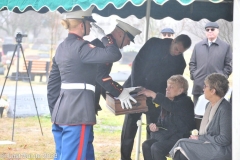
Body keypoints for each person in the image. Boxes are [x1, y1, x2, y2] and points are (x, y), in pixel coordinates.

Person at [47, 6, 123, 160]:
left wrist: (55, 111)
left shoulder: (62, 47)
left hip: (60, 113)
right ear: (82, 25)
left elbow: (52, 86)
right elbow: (114, 54)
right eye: (89, 23)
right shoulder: (82, 47)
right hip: (78, 113)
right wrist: (105, 38)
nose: (90, 26)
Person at [120, 34, 192, 160]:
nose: (176, 53)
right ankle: (125, 157)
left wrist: (162, 98)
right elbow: (137, 63)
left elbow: (173, 83)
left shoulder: (180, 62)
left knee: (153, 129)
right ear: (173, 41)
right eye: (176, 49)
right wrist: (137, 87)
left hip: (156, 97)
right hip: (137, 89)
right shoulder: (154, 43)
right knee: (130, 126)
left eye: (180, 52)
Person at [170, 73, 232, 160]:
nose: (203, 89)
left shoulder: (225, 109)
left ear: (213, 91)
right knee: (181, 147)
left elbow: (224, 139)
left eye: (205, 86)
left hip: (221, 150)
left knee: (182, 144)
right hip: (209, 144)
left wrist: (200, 138)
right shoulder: (208, 105)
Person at [138, 75, 195, 160]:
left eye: (171, 87)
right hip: (167, 137)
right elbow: (161, 123)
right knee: (146, 145)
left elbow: (173, 107)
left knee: (157, 147)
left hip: (181, 138)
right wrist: (155, 127)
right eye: (167, 86)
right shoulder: (167, 102)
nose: (167, 89)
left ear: (180, 90)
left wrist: (153, 95)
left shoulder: (186, 102)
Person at [91, 20, 142, 113]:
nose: (128, 43)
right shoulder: (103, 47)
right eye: (128, 39)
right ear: (120, 34)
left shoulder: (105, 45)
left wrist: (114, 95)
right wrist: (120, 92)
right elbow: (100, 76)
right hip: (84, 100)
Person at [189, 21, 232, 106]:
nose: (210, 31)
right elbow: (192, 63)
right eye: (207, 30)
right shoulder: (198, 46)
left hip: (216, 89)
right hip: (199, 86)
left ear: (218, 31)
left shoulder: (225, 46)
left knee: (215, 114)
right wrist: (195, 75)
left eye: (212, 29)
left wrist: (221, 79)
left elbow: (228, 66)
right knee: (198, 114)